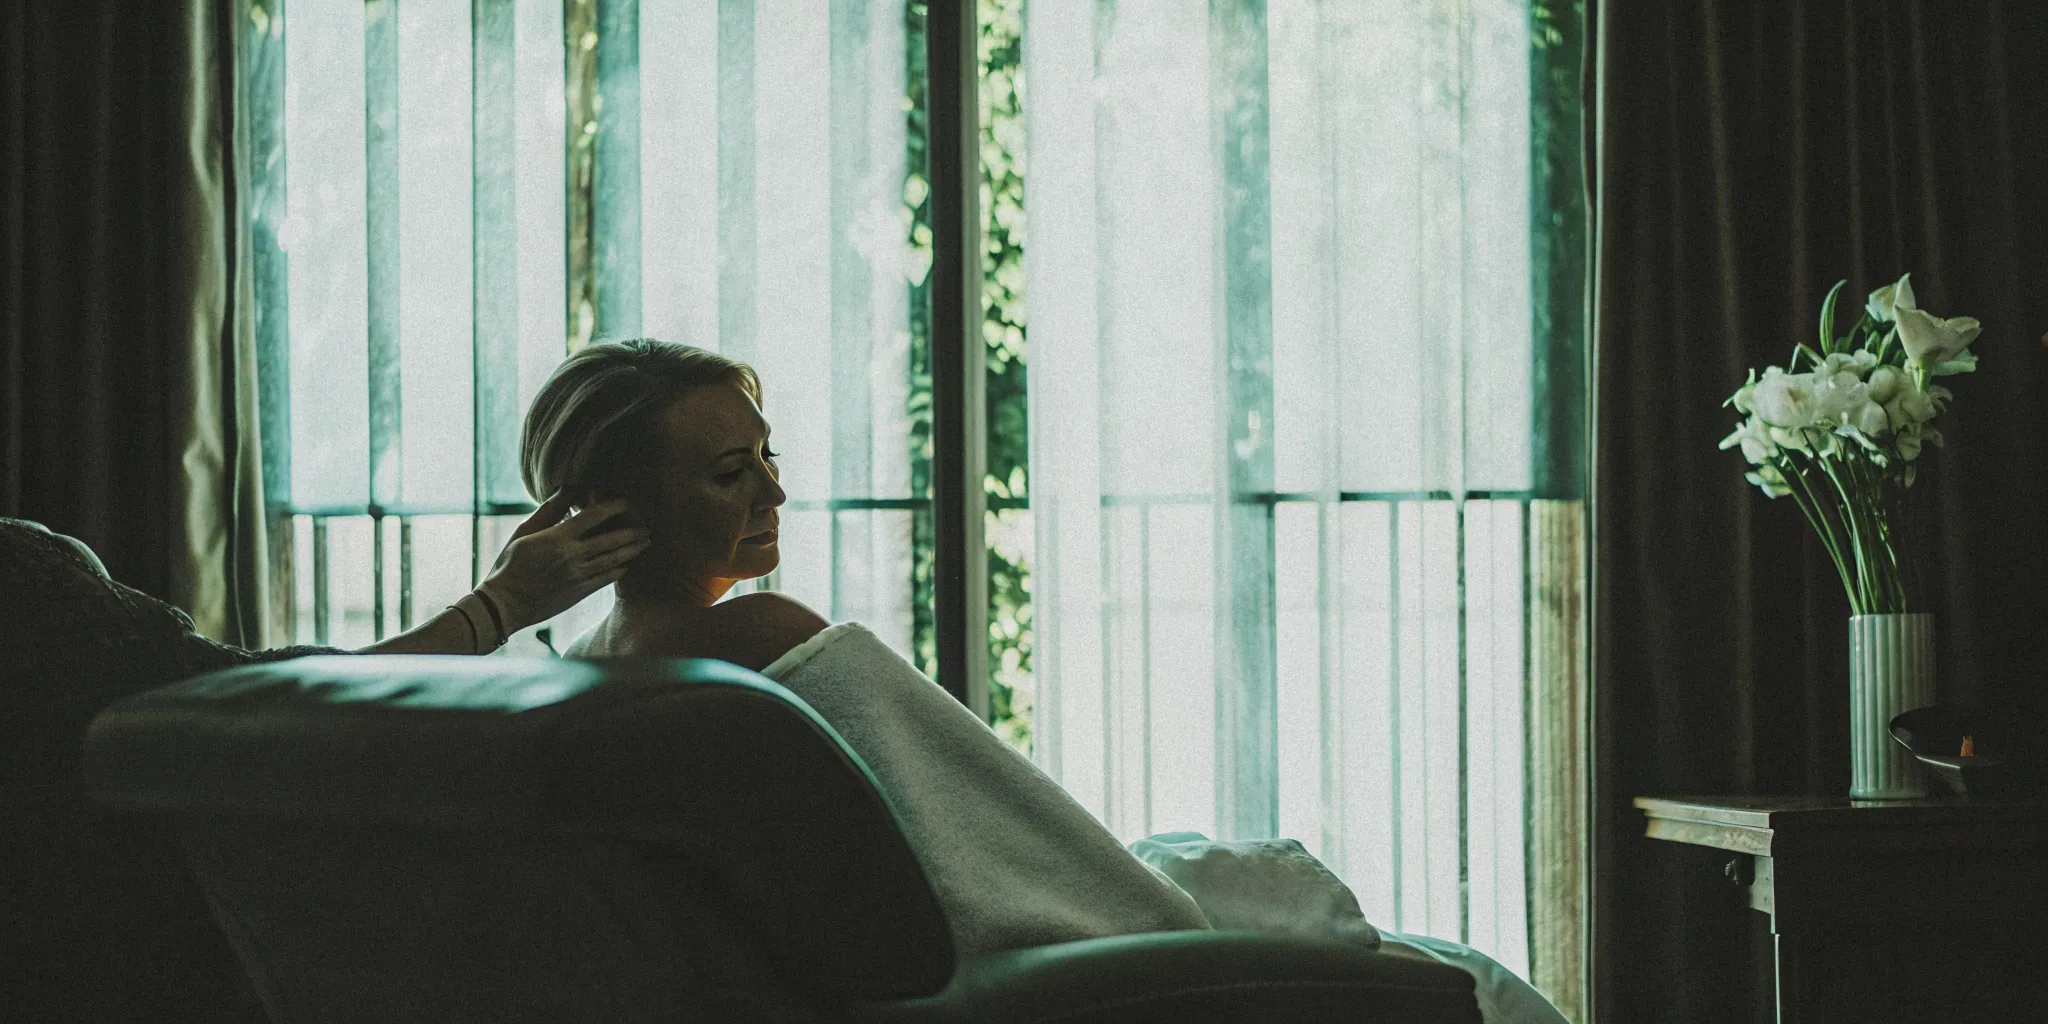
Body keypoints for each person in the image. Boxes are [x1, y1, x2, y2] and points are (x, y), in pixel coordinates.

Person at [523, 338, 1568, 1023]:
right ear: (609, 507)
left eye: (765, 456)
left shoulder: (583, 675)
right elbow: (1010, 843)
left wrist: (496, 607)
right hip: (1068, 974)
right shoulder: (761, 639)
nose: (775, 491)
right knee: (1477, 984)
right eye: (727, 472)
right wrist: (1166, 910)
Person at [0, 503, 649, 1021]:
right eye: (730, 472)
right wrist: (497, 608)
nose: (758, 494)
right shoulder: (22, 574)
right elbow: (249, 702)